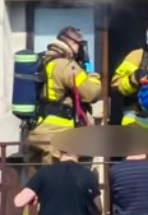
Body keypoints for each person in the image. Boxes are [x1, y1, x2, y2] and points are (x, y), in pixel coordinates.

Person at [25, 27, 102, 164]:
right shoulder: (65, 65)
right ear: (72, 43)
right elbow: (92, 93)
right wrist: (92, 76)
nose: (80, 49)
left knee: (36, 182)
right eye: (80, 45)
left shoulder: (42, 59)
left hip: (36, 130)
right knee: (56, 181)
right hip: (57, 133)